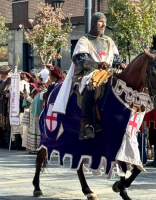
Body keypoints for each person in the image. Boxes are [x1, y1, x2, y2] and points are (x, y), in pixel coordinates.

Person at [52, 12, 126, 141]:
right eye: (100, 21)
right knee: (91, 87)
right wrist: (97, 64)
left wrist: (120, 63)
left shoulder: (109, 41)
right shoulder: (84, 40)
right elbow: (81, 60)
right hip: (89, 73)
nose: (103, 24)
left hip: (108, 72)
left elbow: (115, 57)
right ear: (94, 23)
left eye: (105, 22)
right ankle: (85, 123)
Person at [26, 69, 49, 153]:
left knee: (39, 131)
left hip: (39, 115)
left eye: (37, 81)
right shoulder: (37, 92)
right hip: (34, 115)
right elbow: (34, 103)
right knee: (34, 130)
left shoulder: (45, 92)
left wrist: (28, 97)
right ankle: (34, 147)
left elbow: (41, 104)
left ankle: (39, 147)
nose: (35, 82)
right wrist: (27, 97)